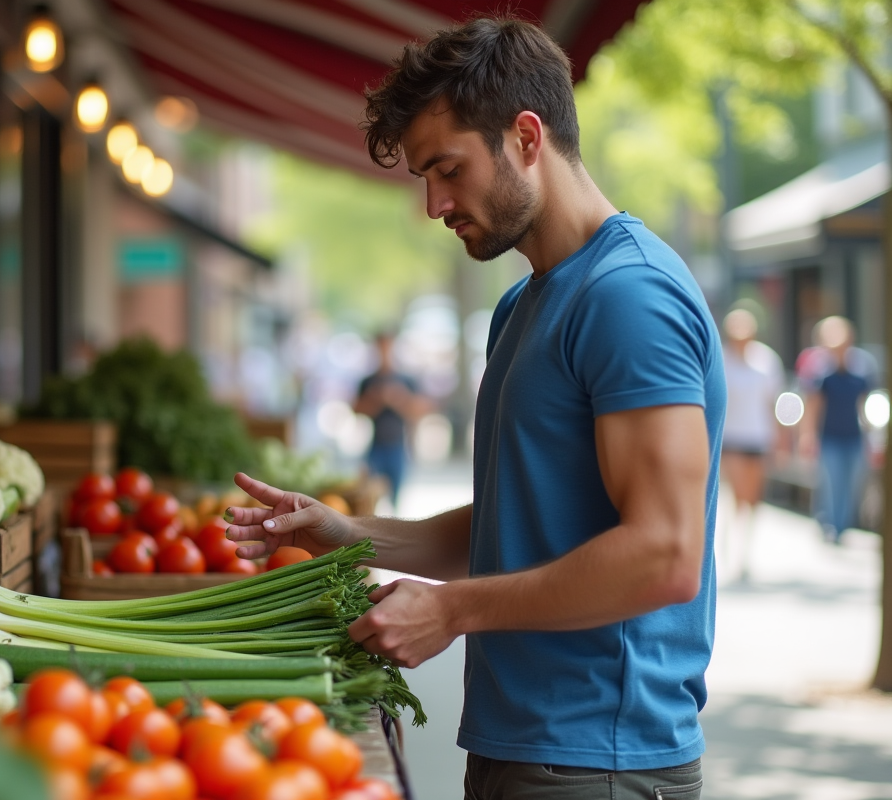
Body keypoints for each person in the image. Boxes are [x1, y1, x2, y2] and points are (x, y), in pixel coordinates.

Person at [223, 17, 724, 800]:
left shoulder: (630, 297)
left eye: (447, 169)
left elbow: (664, 555)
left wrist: (452, 612)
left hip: (602, 761)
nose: (433, 204)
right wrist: (347, 534)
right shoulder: (523, 304)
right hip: (521, 748)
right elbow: (511, 523)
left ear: (527, 136)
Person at [798, 316, 878, 544]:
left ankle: (842, 527)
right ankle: (830, 525)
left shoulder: (862, 369)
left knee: (851, 484)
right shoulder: (822, 373)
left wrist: (869, 435)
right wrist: (808, 435)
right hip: (829, 437)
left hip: (853, 437)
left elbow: (863, 406)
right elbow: (813, 406)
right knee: (831, 482)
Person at [719, 308, 784, 581]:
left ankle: (745, 549)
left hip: (758, 436)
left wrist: (781, 438)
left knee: (752, 498)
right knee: (736, 494)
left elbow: (774, 402)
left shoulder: (767, 360)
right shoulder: (722, 357)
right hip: (732, 437)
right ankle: (729, 543)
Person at [353, 332, 431, 508]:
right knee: (369, 499)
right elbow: (356, 410)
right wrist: (377, 399)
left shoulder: (406, 380)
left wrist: (397, 399)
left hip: (398, 446)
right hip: (376, 446)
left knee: (396, 501)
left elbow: (419, 411)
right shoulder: (369, 381)